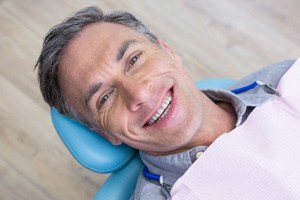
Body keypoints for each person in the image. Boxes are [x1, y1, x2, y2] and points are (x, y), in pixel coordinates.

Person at [35, 6, 295, 200]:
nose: (139, 94)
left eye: (134, 60)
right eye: (105, 98)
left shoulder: (285, 80)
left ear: (166, 49)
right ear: (103, 133)